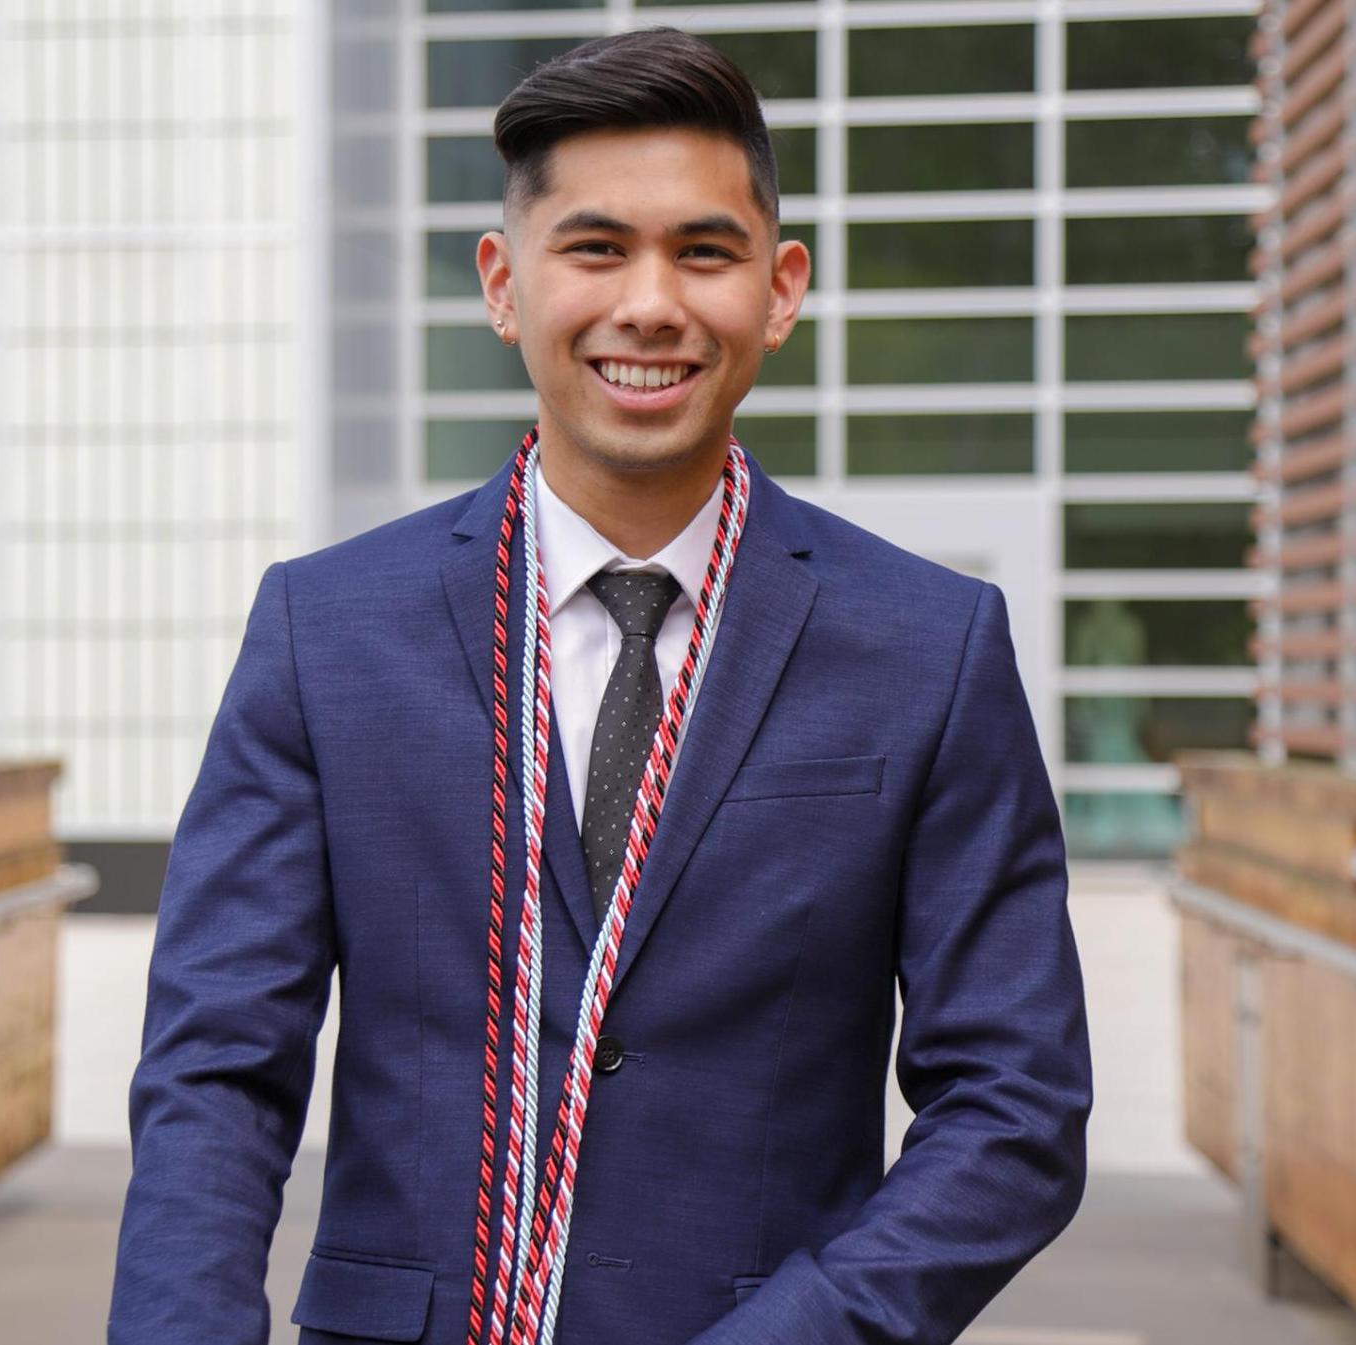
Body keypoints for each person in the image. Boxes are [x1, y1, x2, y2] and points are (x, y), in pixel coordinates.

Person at [109, 27, 1092, 1345]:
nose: (649, 304)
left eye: (703, 251)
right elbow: (215, 1072)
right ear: (505, 284)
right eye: (595, 248)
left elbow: (1015, 1107)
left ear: (781, 288)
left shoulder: (929, 645)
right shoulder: (327, 629)